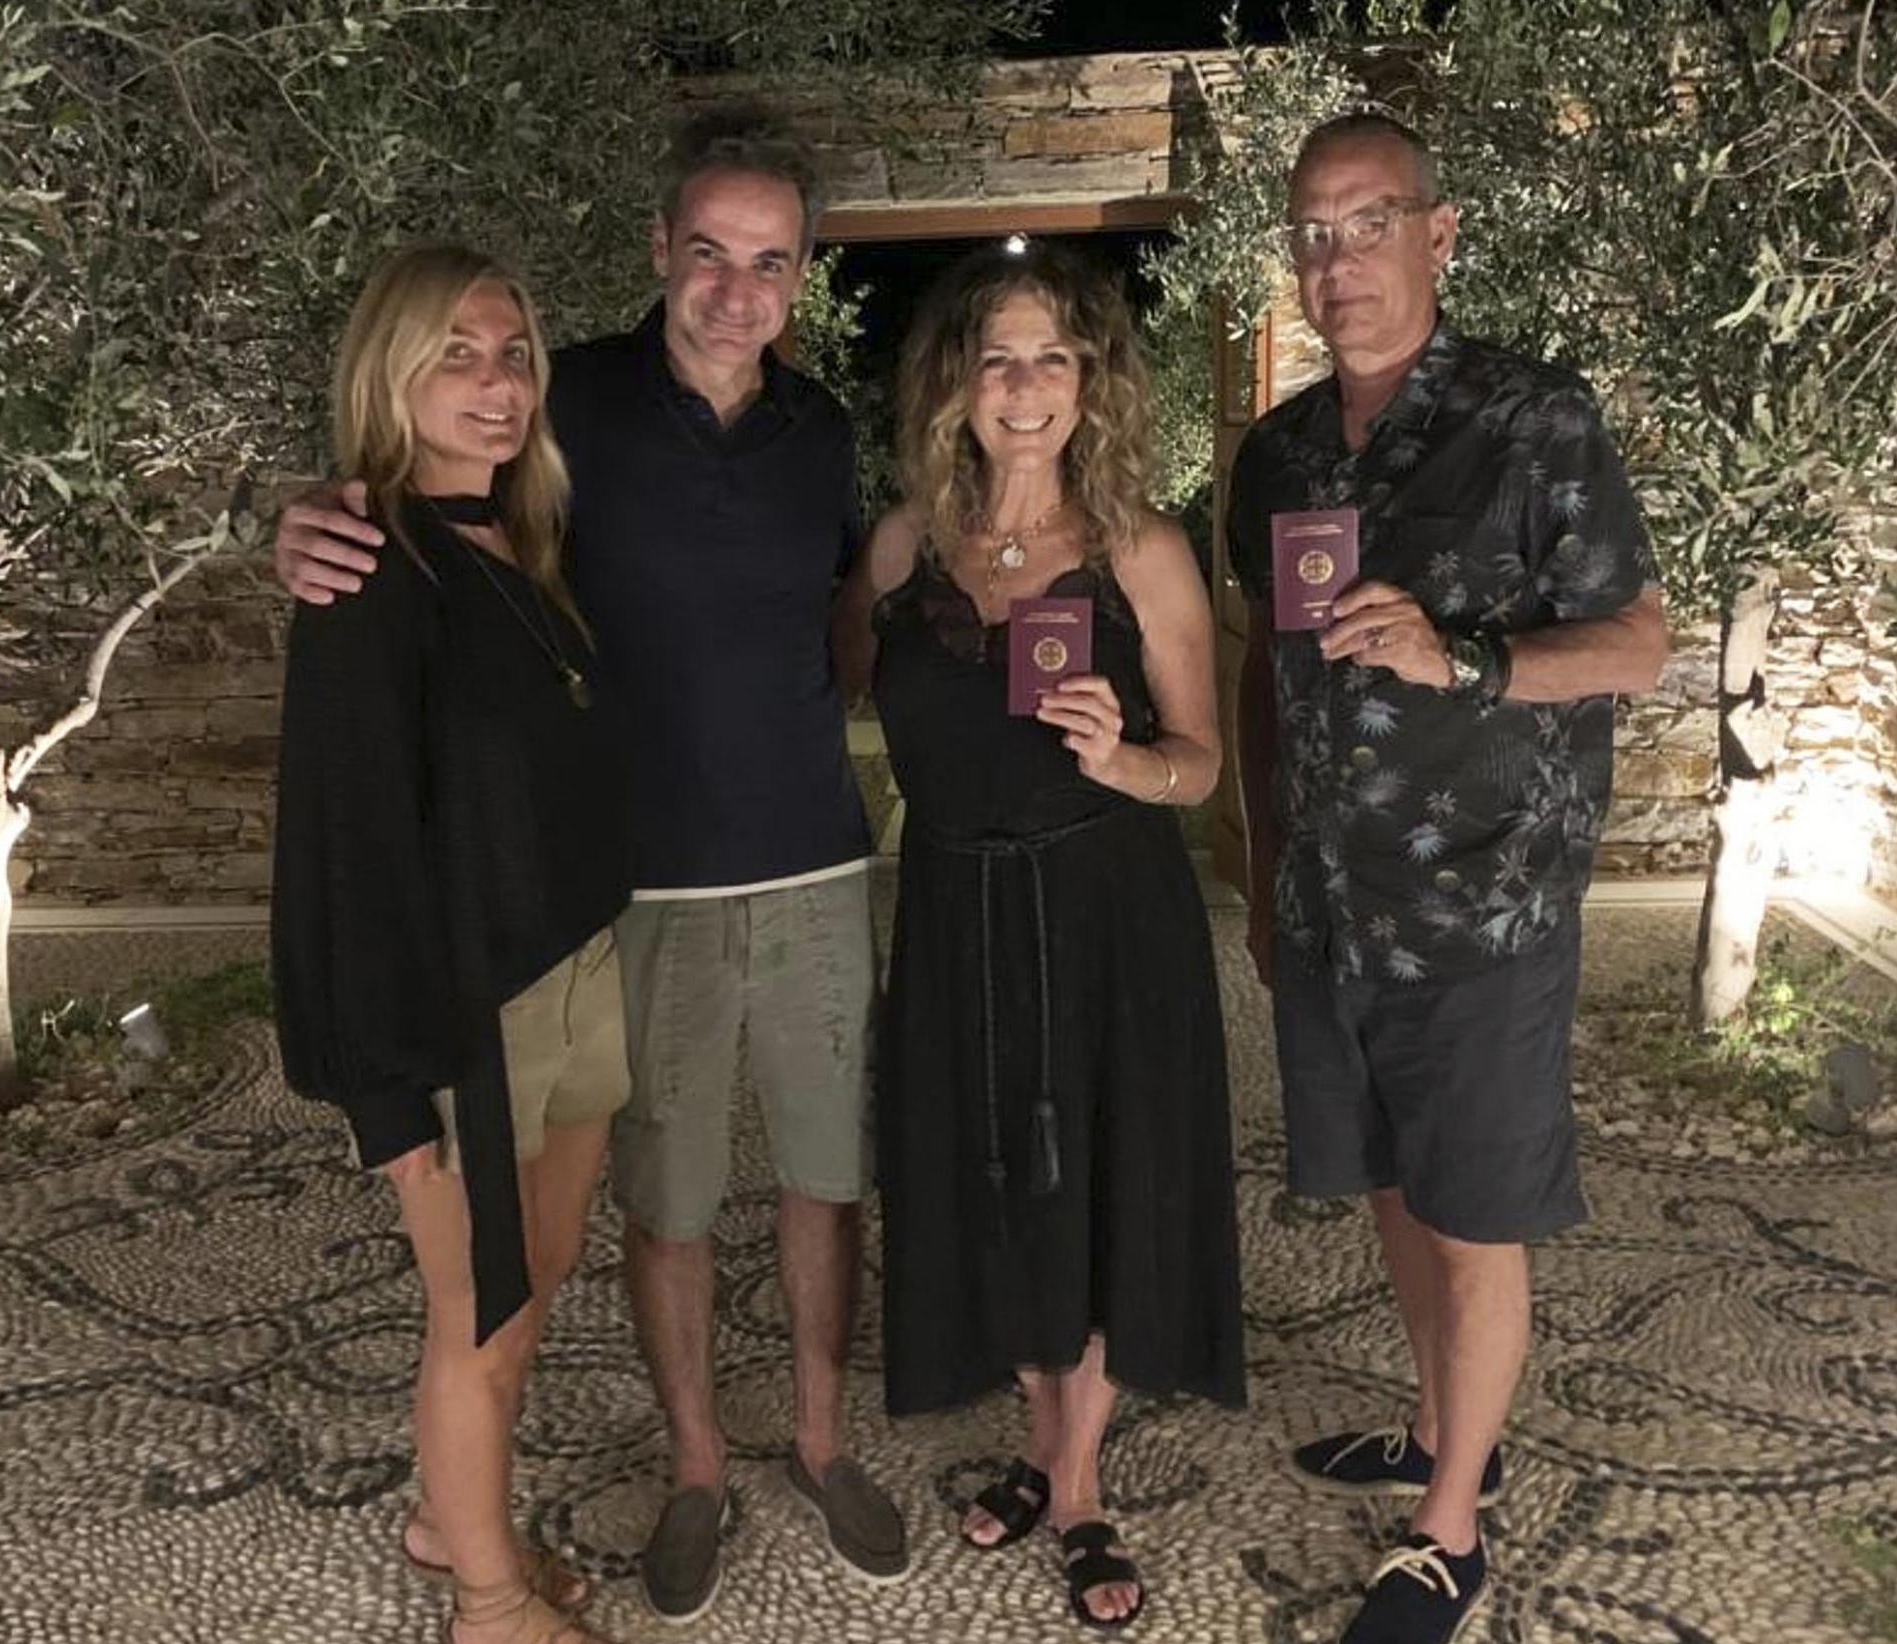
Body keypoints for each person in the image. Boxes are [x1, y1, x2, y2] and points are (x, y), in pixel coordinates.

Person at [271, 106, 904, 1622]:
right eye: (709, 252)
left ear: (802, 277)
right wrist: (300, 516)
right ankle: (675, 1483)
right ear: (659, 256)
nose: (737, 289)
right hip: (617, 910)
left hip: (770, 879)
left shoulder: (803, 437)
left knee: (803, 1182)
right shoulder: (565, 425)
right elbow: (379, 644)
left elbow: (851, 604)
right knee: (637, 1217)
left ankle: (805, 1449)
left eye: (771, 262)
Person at [1227, 113, 1670, 1644]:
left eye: (1368, 222)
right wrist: (1261, 850)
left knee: (1475, 1212)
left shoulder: (1533, 417)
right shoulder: (1279, 451)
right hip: (1332, 906)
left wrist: (1461, 653)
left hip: (1486, 905)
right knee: (1398, 1192)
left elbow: (1637, 645)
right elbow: (1266, 674)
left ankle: (1450, 1526)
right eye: (1313, 230)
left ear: (1440, 232)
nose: (1336, 259)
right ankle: (1432, 1427)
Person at [834, 242, 1246, 1632]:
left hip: (1108, 912)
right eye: (996, 356)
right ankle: (1037, 1429)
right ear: (954, 379)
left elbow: (1204, 763)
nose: (1023, 387)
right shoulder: (900, 548)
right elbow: (814, 683)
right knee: (995, 1175)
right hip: (957, 912)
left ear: (1092, 382)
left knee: (1105, 1173)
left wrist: (1130, 761)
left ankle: (1073, 1485)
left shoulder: (1140, 546)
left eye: (1051, 359)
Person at [272, 242, 627, 1644]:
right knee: (475, 1315)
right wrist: (380, 1080)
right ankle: (486, 1599)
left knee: (525, 1296)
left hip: (573, 971)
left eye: (514, 354)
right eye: (458, 355)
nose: (497, 384)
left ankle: (447, 1520)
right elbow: (340, 846)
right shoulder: (366, 565)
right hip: (460, 1014)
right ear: (390, 374)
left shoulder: (524, 545)